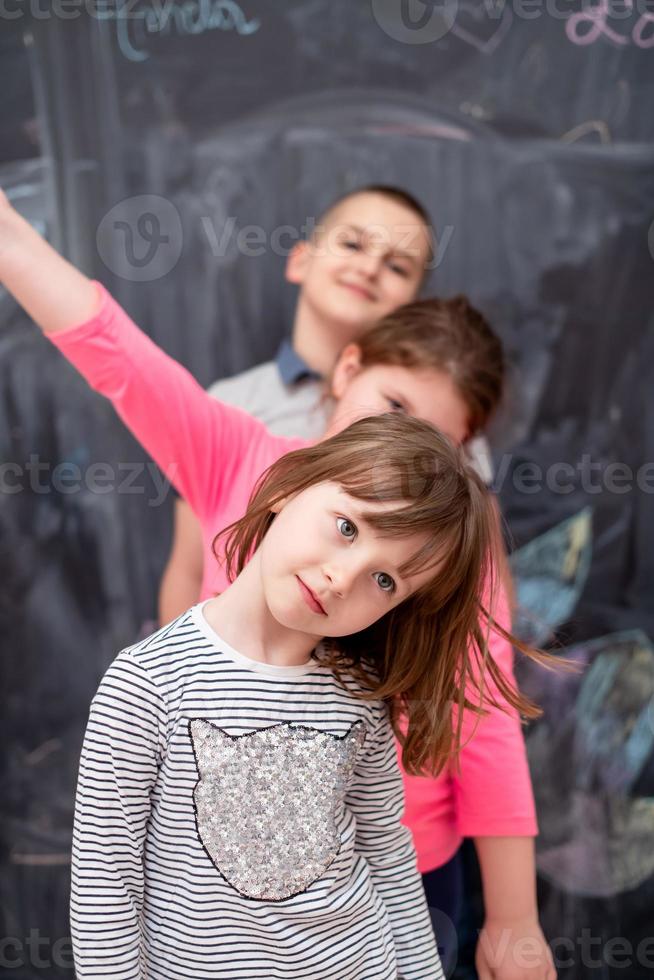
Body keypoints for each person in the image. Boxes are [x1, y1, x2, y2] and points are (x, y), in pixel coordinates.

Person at [0, 192, 555, 979]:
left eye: (437, 440)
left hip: (396, 866)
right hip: (212, 874)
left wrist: (514, 917)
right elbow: (112, 349)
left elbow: (485, 709)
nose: (346, 571)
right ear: (350, 369)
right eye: (394, 407)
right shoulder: (238, 448)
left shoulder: (455, 537)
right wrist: (12, 238)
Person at [69, 411, 529, 979]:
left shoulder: (359, 698)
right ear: (289, 487)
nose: (344, 577)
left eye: (385, 581)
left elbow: (386, 854)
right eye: (348, 528)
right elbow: (104, 885)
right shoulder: (146, 684)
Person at [159, 183, 442, 622]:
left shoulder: (436, 425)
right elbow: (187, 565)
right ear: (300, 260)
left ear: (413, 307)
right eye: (352, 243)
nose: (368, 268)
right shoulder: (231, 404)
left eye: (397, 267)